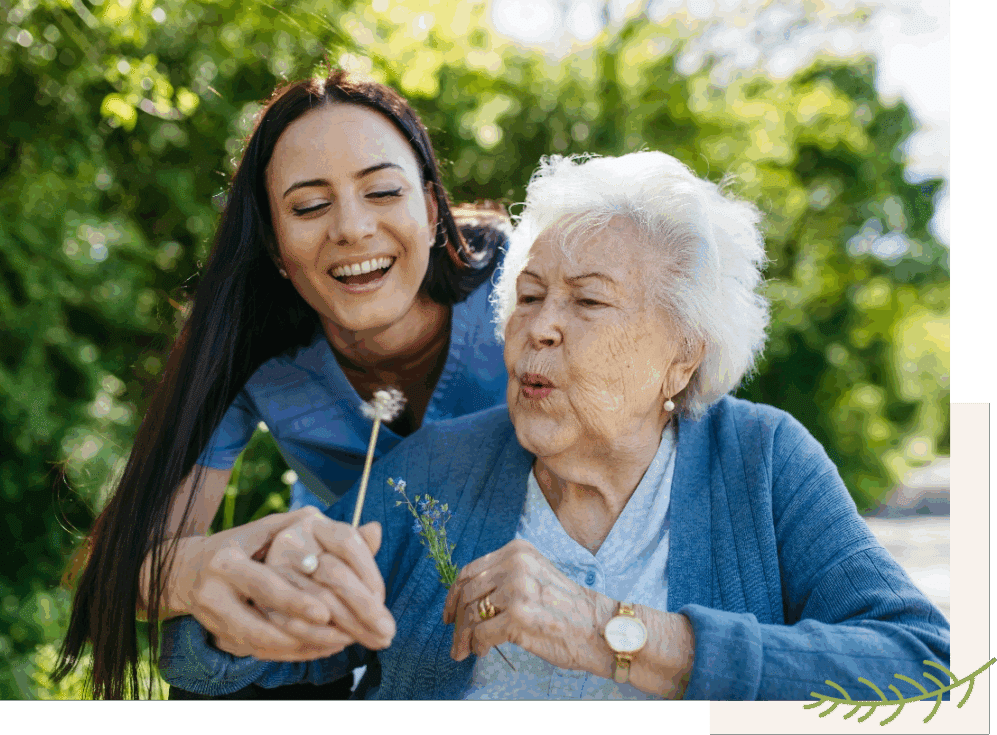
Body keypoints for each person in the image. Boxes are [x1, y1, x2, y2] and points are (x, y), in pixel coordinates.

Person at [159, 150, 950, 700]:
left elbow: (924, 666)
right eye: (529, 295)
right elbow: (215, 662)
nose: (540, 327)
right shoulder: (436, 467)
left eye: (590, 300)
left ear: (682, 356)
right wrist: (261, 589)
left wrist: (616, 633)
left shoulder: (762, 458)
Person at [55, 70, 511, 700]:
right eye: (309, 206)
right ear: (274, 247)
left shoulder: (527, 289)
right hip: (352, 614)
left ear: (431, 209)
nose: (351, 228)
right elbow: (106, 567)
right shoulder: (251, 345)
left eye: (382, 191)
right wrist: (195, 570)